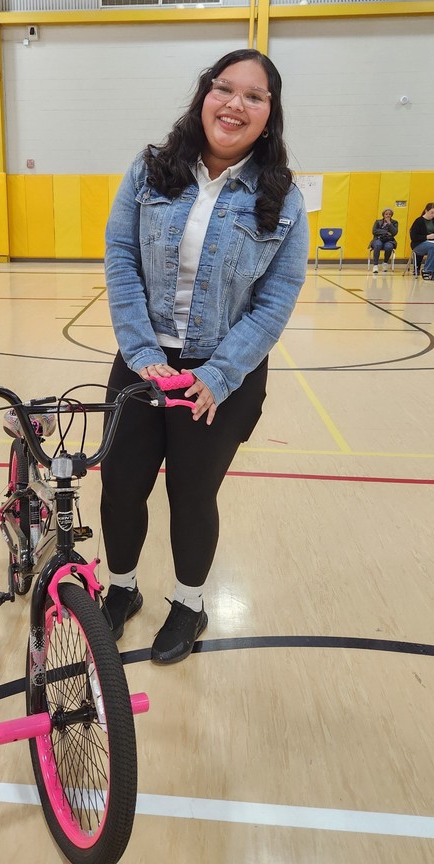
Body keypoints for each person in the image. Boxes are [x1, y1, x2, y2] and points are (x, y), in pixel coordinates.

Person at [101, 49, 308, 664]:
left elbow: (276, 301)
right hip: (143, 362)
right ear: (203, 98)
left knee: (192, 494)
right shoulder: (149, 171)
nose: (236, 104)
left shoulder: (284, 197)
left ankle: (189, 606)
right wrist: (141, 353)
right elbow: (120, 259)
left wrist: (217, 375)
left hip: (223, 375)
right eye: (225, 89)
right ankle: (121, 590)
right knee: (120, 488)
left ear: (269, 116)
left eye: (254, 96)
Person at [409, 203, 434, 279]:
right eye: (432, 212)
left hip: (432, 242)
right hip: (418, 244)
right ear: (426, 211)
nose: (433, 215)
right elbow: (413, 237)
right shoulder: (419, 221)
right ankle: (427, 270)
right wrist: (427, 237)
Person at [369, 208, 398, 272]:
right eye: (386, 214)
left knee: (389, 246)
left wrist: (389, 223)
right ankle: (375, 265)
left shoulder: (394, 222)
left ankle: (385, 263)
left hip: (388, 240)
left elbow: (394, 232)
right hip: (378, 239)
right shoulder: (378, 222)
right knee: (377, 245)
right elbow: (374, 231)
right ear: (383, 215)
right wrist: (386, 232)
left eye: (389, 214)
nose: (388, 215)